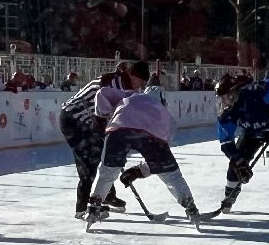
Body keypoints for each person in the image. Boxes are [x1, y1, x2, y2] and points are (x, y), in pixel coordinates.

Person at [84, 86, 203, 230]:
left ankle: (94, 207)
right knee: (171, 175)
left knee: (107, 172)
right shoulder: (165, 115)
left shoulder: (130, 96)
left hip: (117, 131)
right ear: (162, 100)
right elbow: (160, 160)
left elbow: (102, 92)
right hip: (150, 137)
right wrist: (139, 171)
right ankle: (189, 205)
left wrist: (104, 115)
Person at [59, 60, 148, 218]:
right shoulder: (116, 84)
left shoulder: (124, 85)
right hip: (74, 120)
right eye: (140, 81)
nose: (140, 86)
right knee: (89, 162)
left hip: (87, 121)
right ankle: (82, 207)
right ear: (133, 77)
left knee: (103, 154)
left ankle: (106, 196)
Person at [215, 69, 269, 213]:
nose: (222, 103)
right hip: (252, 133)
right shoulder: (227, 115)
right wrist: (239, 162)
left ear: (234, 93)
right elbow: (226, 143)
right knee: (235, 166)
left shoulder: (258, 92)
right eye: (220, 98)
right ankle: (228, 198)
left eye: (224, 97)